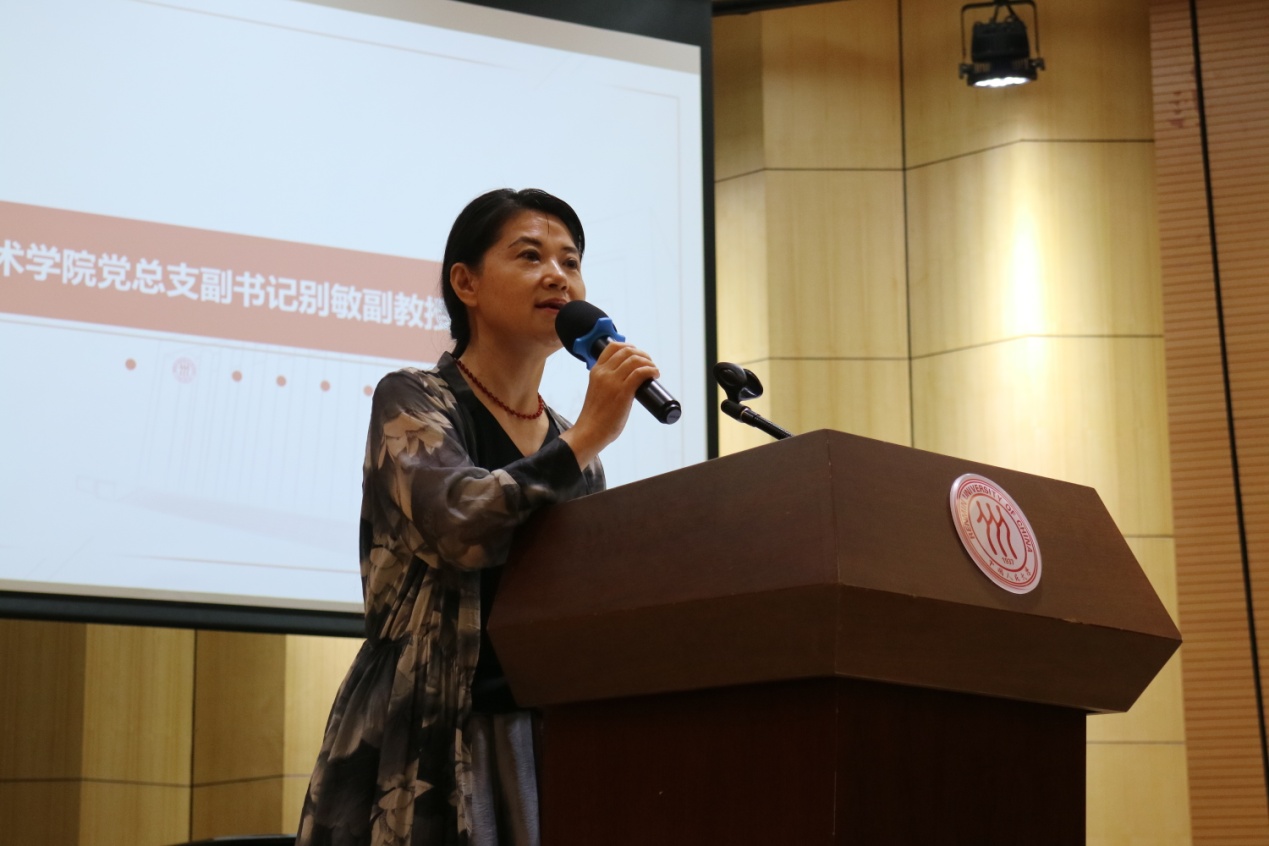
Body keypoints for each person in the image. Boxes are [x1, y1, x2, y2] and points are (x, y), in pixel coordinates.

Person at [296, 188, 659, 846]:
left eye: (570, 261)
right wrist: (586, 439)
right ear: (465, 283)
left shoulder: (574, 445)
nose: (558, 276)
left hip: (544, 728)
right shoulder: (414, 398)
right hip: (427, 730)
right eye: (530, 256)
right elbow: (459, 527)